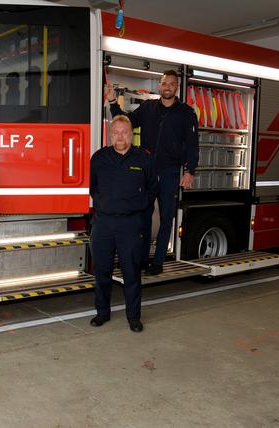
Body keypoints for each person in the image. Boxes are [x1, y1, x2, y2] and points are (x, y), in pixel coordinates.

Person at [105, 70, 199, 275]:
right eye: (164, 83)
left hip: (170, 172)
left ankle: (158, 262)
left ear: (177, 87)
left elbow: (192, 145)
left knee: (166, 217)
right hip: (146, 170)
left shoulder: (186, 113)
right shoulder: (147, 108)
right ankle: (142, 260)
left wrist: (189, 170)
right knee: (143, 216)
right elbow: (126, 121)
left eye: (172, 84)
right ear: (159, 86)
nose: (167, 87)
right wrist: (112, 101)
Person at [89, 115, 157, 332]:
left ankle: (133, 317)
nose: (120, 136)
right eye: (116, 132)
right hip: (103, 224)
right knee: (102, 271)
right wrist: (103, 204)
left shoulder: (143, 158)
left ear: (131, 134)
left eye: (124, 132)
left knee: (131, 272)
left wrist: (138, 206)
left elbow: (152, 189)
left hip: (130, 224)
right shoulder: (99, 158)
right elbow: (93, 187)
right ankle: (102, 312)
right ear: (110, 135)